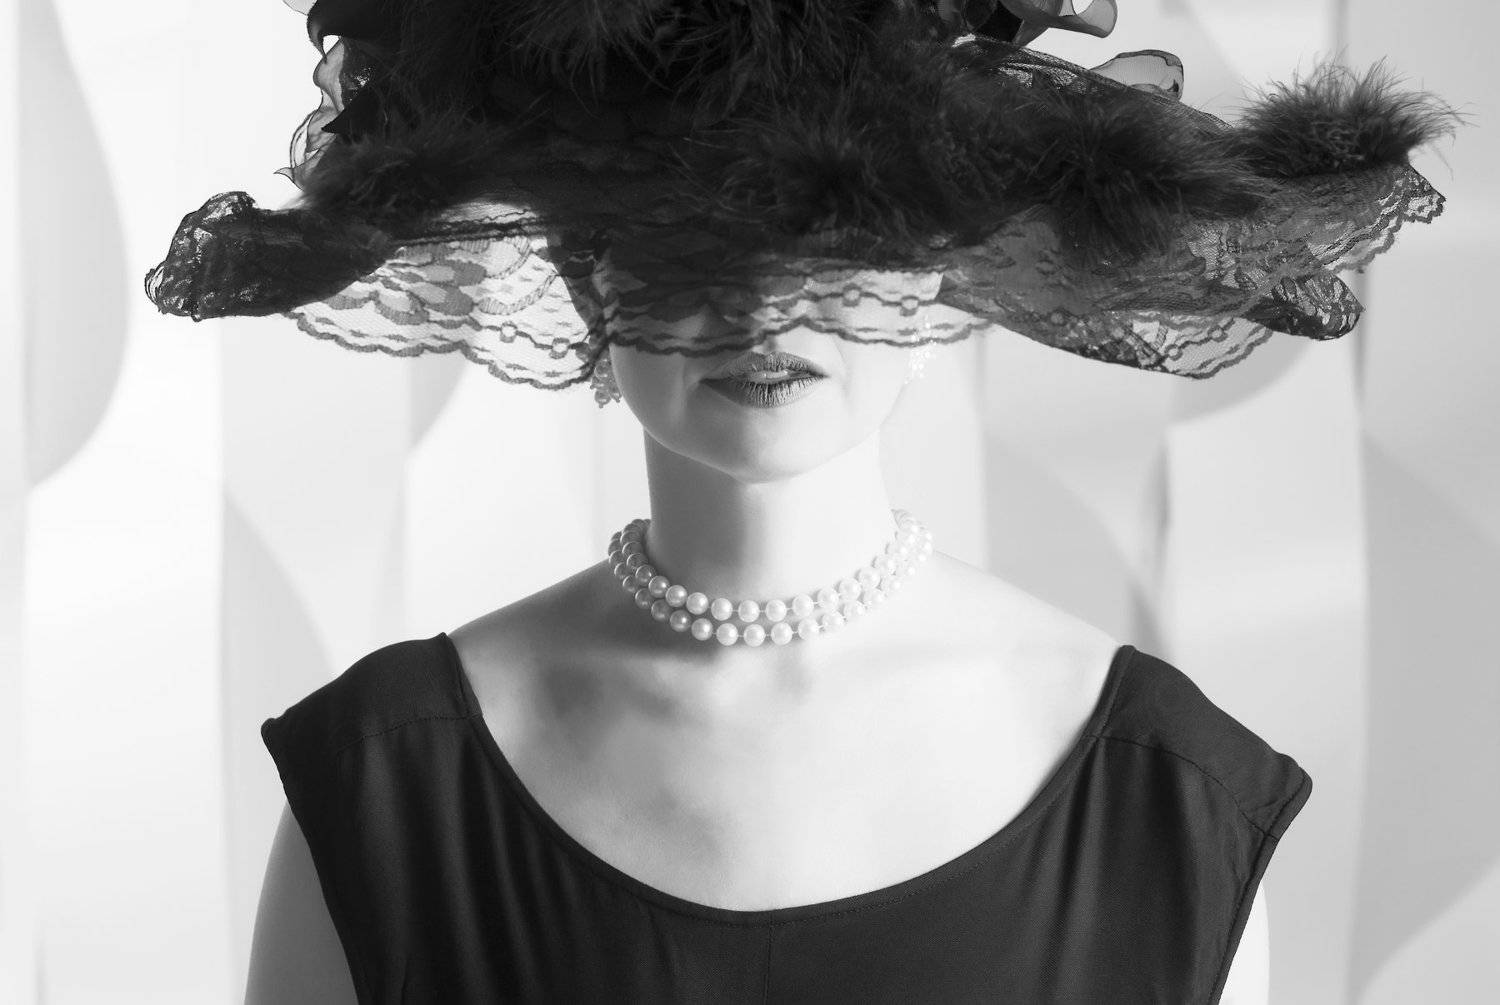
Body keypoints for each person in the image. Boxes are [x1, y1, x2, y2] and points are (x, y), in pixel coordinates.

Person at [144, 2, 1454, 1001]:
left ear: (942, 258)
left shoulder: (1167, 808)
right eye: (686, 227)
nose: (764, 298)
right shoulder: (385, 790)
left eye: (840, 219)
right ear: (588, 273)